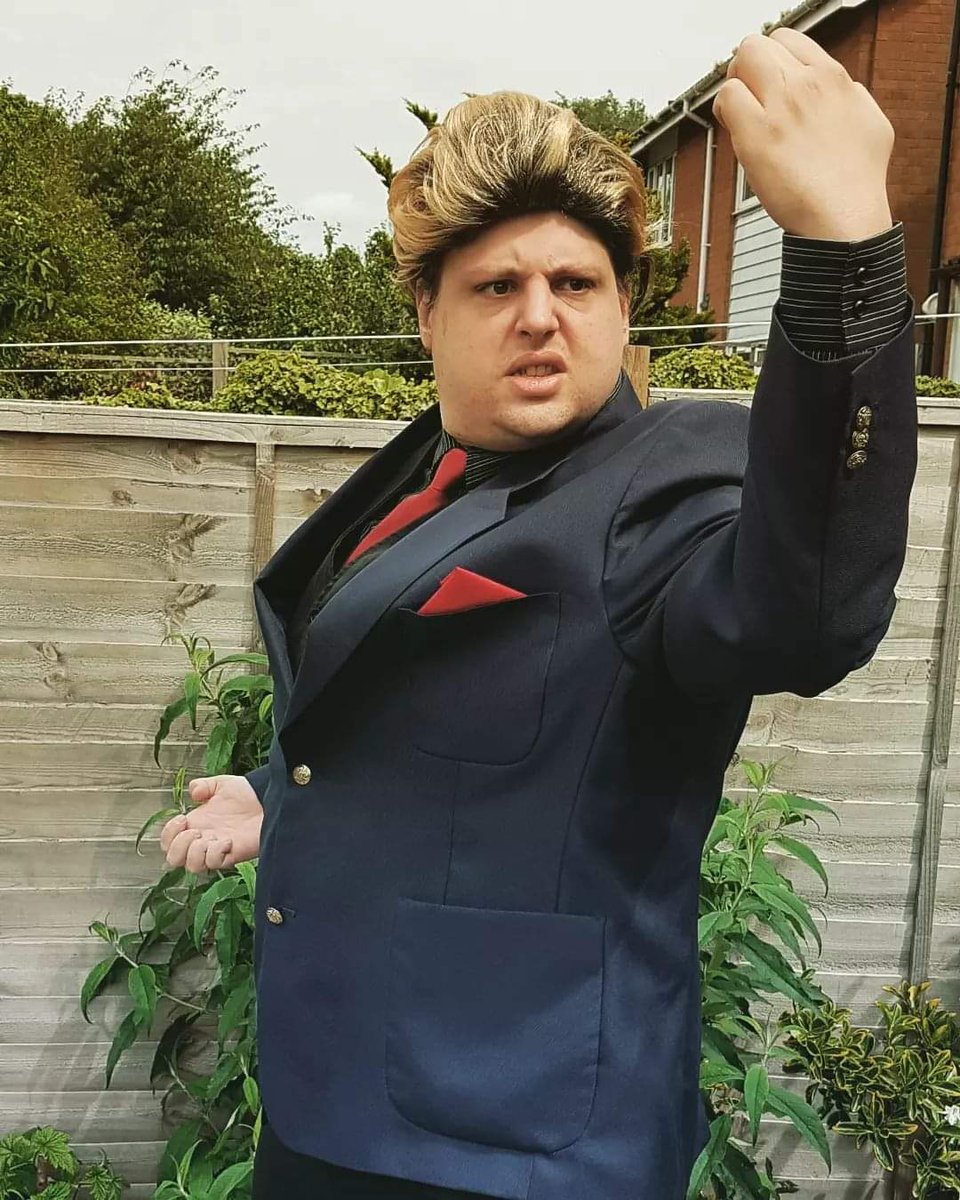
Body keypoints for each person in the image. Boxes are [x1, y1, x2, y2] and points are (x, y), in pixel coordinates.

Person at [160, 28, 916, 1200]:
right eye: (496, 286)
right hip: (336, 1099)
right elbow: (451, 701)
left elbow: (805, 613)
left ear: (622, 310)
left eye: (575, 284)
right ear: (427, 314)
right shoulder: (426, 472)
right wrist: (285, 798)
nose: (539, 315)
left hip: (519, 1135)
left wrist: (845, 260)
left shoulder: (662, 481)